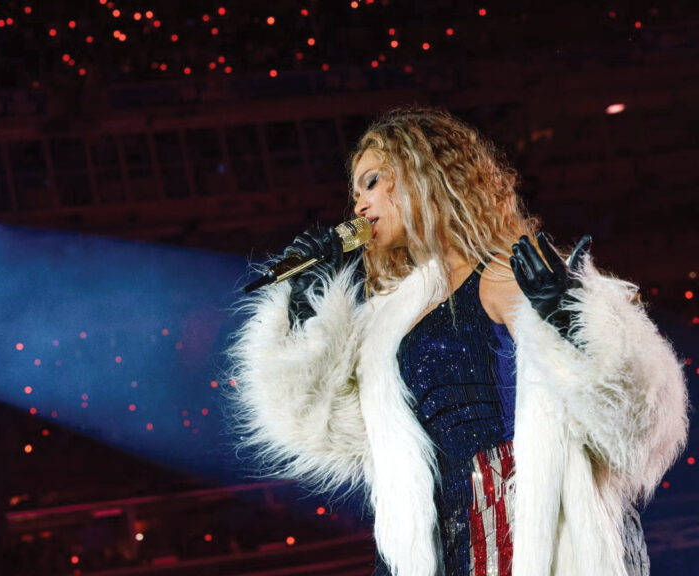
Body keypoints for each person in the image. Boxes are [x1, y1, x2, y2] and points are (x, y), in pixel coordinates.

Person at [227, 107, 688, 576]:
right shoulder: (393, 318)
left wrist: (571, 318)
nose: (359, 207)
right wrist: (308, 305)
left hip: (520, 531)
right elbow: (336, 431)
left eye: (371, 182)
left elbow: (633, 420)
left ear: (421, 174)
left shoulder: (503, 273)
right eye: (354, 195)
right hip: (441, 541)